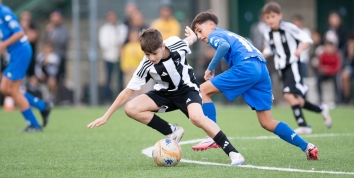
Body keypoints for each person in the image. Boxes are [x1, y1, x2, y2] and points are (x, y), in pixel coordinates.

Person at [87, 28, 245, 166]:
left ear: (163, 46)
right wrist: (106, 116)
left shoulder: (176, 45)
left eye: (154, 53)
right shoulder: (146, 65)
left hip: (187, 90)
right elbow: (127, 91)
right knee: (130, 108)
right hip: (164, 94)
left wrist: (194, 36)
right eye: (147, 54)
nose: (151, 58)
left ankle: (233, 153)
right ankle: (173, 131)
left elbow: (188, 41)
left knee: (197, 118)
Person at [189, 10, 319, 161]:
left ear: (211, 25)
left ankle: (211, 136)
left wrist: (210, 68)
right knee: (267, 122)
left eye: (199, 31)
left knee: (203, 90)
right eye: (196, 34)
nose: (199, 36)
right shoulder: (228, 33)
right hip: (261, 69)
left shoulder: (214, 35)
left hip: (247, 66)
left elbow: (223, 46)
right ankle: (307, 147)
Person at [261, 2, 332, 135]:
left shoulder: (289, 28)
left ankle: (303, 125)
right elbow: (269, 49)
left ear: (280, 16)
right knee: (297, 100)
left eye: (272, 16)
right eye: (267, 17)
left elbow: (307, 40)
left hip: (293, 65)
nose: (270, 20)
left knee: (287, 94)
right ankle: (321, 109)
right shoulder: (267, 32)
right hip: (281, 68)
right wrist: (258, 58)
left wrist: (299, 50)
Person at [0, 0, 52, 132]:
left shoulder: (4, 11)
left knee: (14, 90)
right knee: (4, 88)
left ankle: (34, 125)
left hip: (21, 52)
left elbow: (20, 33)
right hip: (14, 54)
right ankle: (42, 106)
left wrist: (1, 45)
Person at [98, 11, 128, 103]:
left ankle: (121, 100)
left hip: (120, 58)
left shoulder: (122, 27)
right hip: (109, 57)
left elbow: (123, 41)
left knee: (120, 79)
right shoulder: (104, 29)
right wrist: (115, 44)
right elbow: (104, 44)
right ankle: (108, 99)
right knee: (108, 78)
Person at [45, 9, 68, 81]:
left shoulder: (63, 29)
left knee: (60, 80)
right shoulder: (50, 29)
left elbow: (62, 42)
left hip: (60, 57)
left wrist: (53, 39)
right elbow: (45, 42)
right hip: (50, 59)